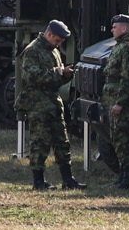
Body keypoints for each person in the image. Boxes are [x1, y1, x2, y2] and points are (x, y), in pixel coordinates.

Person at [15, 18, 82, 190]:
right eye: (58, 40)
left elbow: (53, 77)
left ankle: (68, 179)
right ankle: (38, 181)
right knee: (40, 143)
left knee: (62, 142)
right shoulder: (33, 51)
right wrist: (59, 72)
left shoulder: (53, 50)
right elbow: (31, 77)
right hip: (38, 104)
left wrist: (65, 75)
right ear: (49, 34)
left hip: (53, 103)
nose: (59, 44)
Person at [100, 13, 129, 188]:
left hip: (125, 101)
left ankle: (128, 178)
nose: (112, 30)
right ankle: (122, 176)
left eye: (115, 27)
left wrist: (120, 102)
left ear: (124, 28)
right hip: (115, 97)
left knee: (123, 138)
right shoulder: (122, 45)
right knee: (117, 137)